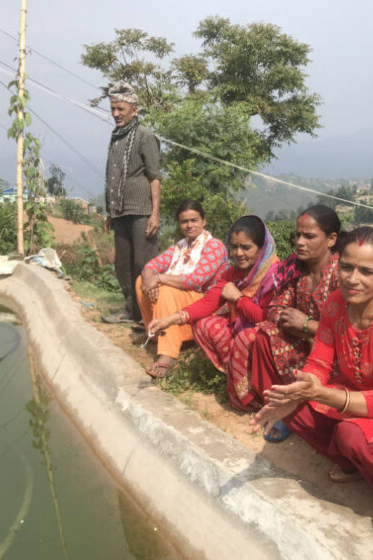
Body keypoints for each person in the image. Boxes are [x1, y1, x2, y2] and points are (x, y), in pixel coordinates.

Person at [251, 227, 373, 521]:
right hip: (364, 396)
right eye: (347, 267)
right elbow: (320, 364)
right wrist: (301, 390)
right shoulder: (336, 303)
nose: (353, 279)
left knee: (350, 434)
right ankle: (354, 463)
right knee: (296, 409)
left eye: (366, 271)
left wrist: (321, 393)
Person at [148, 215, 278, 403]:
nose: (239, 253)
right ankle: (237, 375)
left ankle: (257, 392)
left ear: (262, 247)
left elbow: (265, 317)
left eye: (246, 247)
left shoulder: (274, 275)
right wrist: (168, 320)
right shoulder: (234, 273)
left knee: (247, 337)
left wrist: (239, 299)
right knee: (204, 324)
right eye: (234, 247)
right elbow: (208, 303)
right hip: (243, 327)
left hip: (267, 336)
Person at [244, 205, 341, 439]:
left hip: (335, 351)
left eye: (309, 236)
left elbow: (350, 331)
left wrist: (309, 327)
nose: (300, 242)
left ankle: (302, 411)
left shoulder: (342, 275)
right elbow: (275, 309)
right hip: (303, 343)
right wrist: (298, 327)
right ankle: (280, 406)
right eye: (298, 235)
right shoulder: (297, 270)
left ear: (331, 239)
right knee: (264, 335)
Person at [135, 200, 230, 378]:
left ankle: (167, 354)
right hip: (185, 298)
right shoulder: (180, 247)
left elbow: (196, 280)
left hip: (207, 303)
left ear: (204, 221)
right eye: (184, 221)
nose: (189, 225)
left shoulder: (214, 246)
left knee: (165, 289)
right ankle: (155, 335)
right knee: (142, 281)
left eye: (194, 220)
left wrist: (159, 278)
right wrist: (150, 278)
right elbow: (152, 265)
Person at [101, 81, 162, 325]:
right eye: (113, 109)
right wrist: (110, 212)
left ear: (134, 110)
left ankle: (149, 314)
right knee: (123, 263)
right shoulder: (116, 137)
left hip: (141, 211)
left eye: (121, 109)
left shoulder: (146, 136)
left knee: (143, 263)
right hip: (119, 211)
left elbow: (155, 177)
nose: (116, 114)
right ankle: (131, 310)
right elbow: (111, 176)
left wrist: (154, 214)